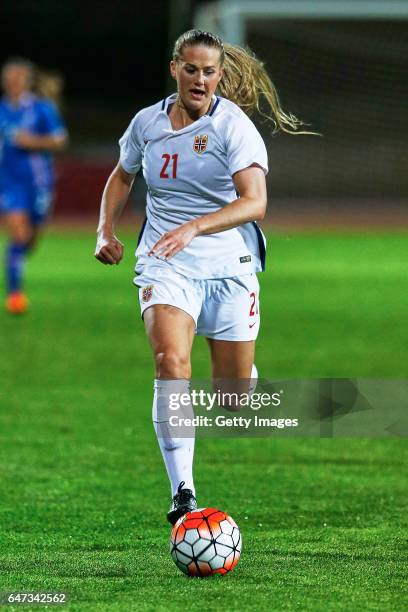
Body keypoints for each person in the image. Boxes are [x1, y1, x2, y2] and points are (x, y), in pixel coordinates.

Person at [95, 30, 311, 524]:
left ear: (220, 75)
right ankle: (183, 493)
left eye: (209, 71)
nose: (200, 79)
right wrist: (105, 229)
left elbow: (255, 202)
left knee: (232, 400)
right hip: (165, 263)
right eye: (191, 69)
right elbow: (123, 173)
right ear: (175, 69)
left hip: (229, 264)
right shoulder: (147, 122)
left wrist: (194, 227)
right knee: (171, 362)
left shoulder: (233, 127)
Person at [0, 58, 68, 314]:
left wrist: (31, 141)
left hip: (39, 182)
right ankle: (14, 294)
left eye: (18, 79)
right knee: (18, 233)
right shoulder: (2, 110)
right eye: (9, 79)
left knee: (30, 240)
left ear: (27, 82)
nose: (13, 84)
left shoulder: (41, 109)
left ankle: (17, 258)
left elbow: (60, 140)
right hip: (9, 183)